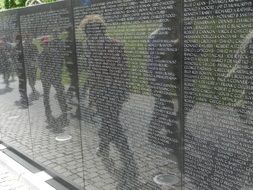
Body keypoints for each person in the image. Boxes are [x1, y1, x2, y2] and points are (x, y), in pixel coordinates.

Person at [80, 15, 137, 189]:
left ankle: (126, 154)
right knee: (109, 119)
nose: (91, 34)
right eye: (89, 31)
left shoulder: (112, 44)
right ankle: (105, 146)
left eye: (93, 30)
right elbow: (92, 70)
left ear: (100, 29)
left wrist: (124, 88)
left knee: (111, 120)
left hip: (111, 89)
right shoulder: (89, 45)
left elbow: (123, 67)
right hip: (106, 89)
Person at [37, 32, 69, 132]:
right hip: (46, 77)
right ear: (42, 45)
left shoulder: (55, 52)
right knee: (46, 95)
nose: (46, 45)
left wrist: (57, 73)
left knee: (60, 93)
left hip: (55, 77)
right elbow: (41, 67)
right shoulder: (41, 55)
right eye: (44, 44)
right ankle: (48, 111)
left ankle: (64, 110)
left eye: (47, 44)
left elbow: (60, 64)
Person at [23, 34, 39, 101]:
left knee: (34, 77)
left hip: (33, 64)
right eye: (27, 39)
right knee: (30, 78)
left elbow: (37, 53)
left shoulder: (34, 46)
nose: (29, 40)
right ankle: (33, 88)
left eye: (30, 39)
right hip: (27, 65)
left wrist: (35, 59)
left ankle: (33, 86)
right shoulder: (23, 47)